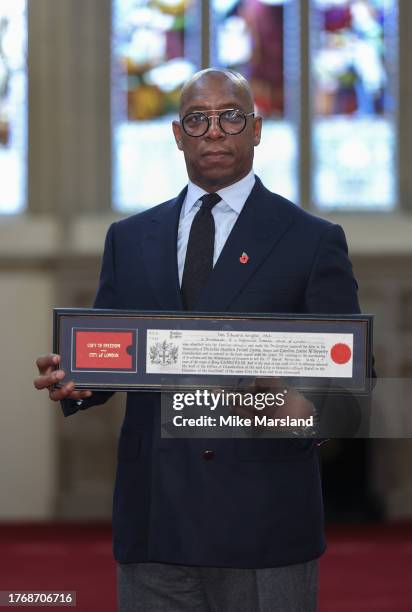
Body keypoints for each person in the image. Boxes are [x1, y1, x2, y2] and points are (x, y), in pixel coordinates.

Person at [34, 68, 362, 611]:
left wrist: (292, 404)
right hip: (153, 520)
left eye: (230, 115)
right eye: (197, 118)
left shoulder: (312, 240)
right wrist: (74, 379)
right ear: (177, 133)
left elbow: (345, 383)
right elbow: (109, 350)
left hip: (262, 516)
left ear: (255, 129)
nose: (214, 130)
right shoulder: (130, 238)